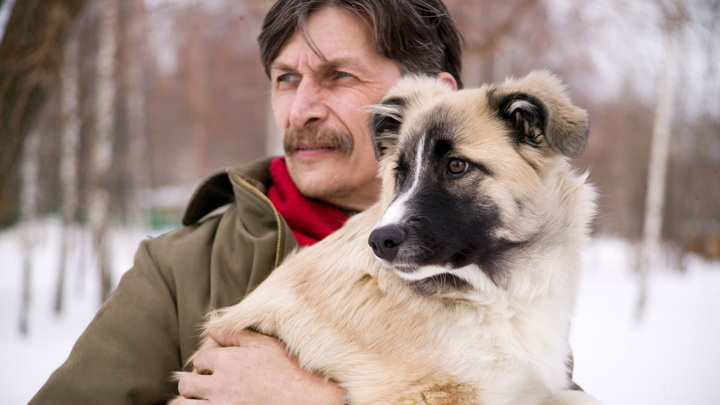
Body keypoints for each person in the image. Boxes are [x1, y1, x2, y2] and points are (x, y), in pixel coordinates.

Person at [30, 0, 462, 404]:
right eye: (286, 78)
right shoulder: (180, 271)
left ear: (433, 96)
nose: (301, 111)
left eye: (338, 76)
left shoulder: (514, 269)